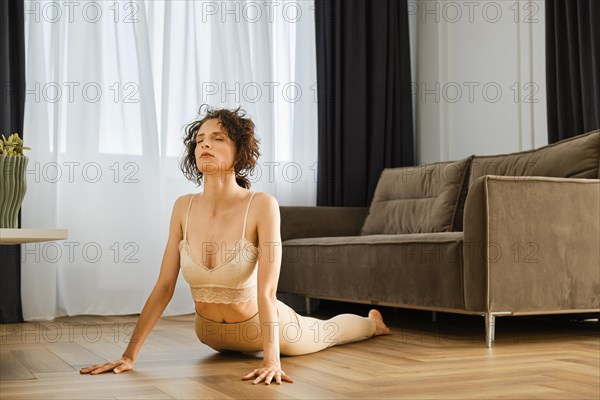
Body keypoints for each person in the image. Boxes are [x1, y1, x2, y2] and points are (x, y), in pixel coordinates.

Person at [80, 105, 391, 385]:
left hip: (265, 330)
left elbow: (267, 291)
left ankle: (371, 324)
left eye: (217, 138)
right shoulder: (182, 207)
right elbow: (163, 286)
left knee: (327, 332)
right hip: (210, 335)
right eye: (200, 138)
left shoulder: (261, 205)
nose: (204, 143)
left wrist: (272, 361)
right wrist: (129, 355)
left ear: (239, 151)